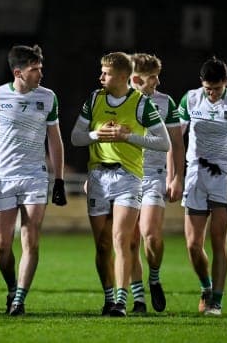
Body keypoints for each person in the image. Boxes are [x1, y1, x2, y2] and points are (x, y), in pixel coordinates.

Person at [71, 51, 169, 317]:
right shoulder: (94, 99)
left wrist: (130, 138)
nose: (101, 76)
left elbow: (165, 143)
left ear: (124, 76)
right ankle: (108, 297)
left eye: (106, 73)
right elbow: (76, 137)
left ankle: (121, 302)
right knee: (102, 245)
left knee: (121, 239)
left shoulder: (140, 104)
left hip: (128, 177)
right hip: (98, 177)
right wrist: (94, 134)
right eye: (101, 72)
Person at [0, 44, 67, 316]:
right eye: (34, 70)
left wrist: (58, 180)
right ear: (18, 72)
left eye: (40, 68)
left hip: (35, 177)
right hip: (3, 179)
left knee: (31, 239)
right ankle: (12, 285)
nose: (40, 74)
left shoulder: (48, 98)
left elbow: (55, 141)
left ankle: (19, 299)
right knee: (2, 246)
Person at [178, 56, 227, 316]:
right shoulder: (190, 99)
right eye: (208, 88)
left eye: (217, 89)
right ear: (202, 83)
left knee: (219, 240)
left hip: (224, 177)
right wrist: (175, 175)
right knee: (192, 244)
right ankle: (206, 287)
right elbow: (176, 139)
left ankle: (217, 301)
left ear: (226, 83)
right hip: (195, 175)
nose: (212, 93)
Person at [128, 53, 185, 314]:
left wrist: (176, 176)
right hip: (124, 175)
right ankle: (139, 298)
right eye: (153, 78)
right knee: (128, 241)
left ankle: (154, 276)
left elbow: (176, 141)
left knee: (150, 234)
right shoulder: (118, 100)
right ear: (136, 78)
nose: (158, 82)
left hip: (153, 175)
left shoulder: (165, 102)